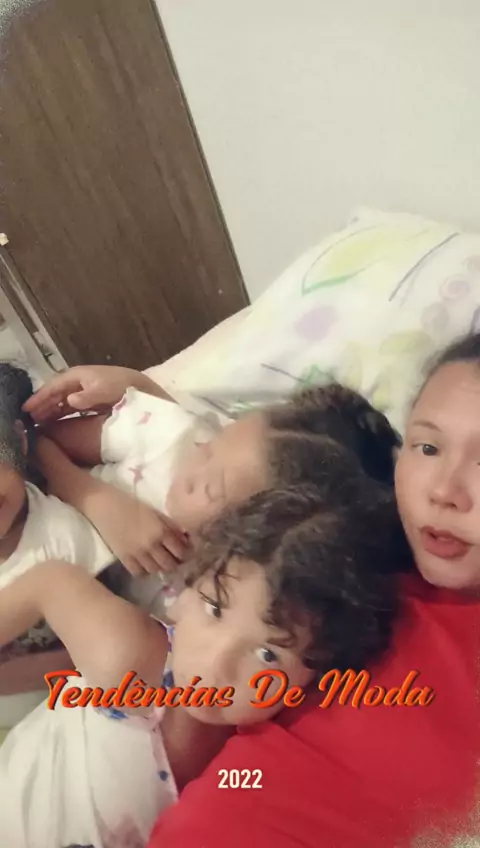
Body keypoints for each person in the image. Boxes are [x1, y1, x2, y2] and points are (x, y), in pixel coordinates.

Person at [26, 352, 480, 848]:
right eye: (427, 446)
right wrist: (140, 402)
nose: (443, 491)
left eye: (268, 651)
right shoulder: (383, 535)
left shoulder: (332, 578)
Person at [0, 473, 400, 847]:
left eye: (268, 654)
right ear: (184, 594)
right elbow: (51, 582)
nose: (216, 665)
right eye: (214, 608)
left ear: (315, 677)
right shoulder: (130, 655)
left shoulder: (258, 760)